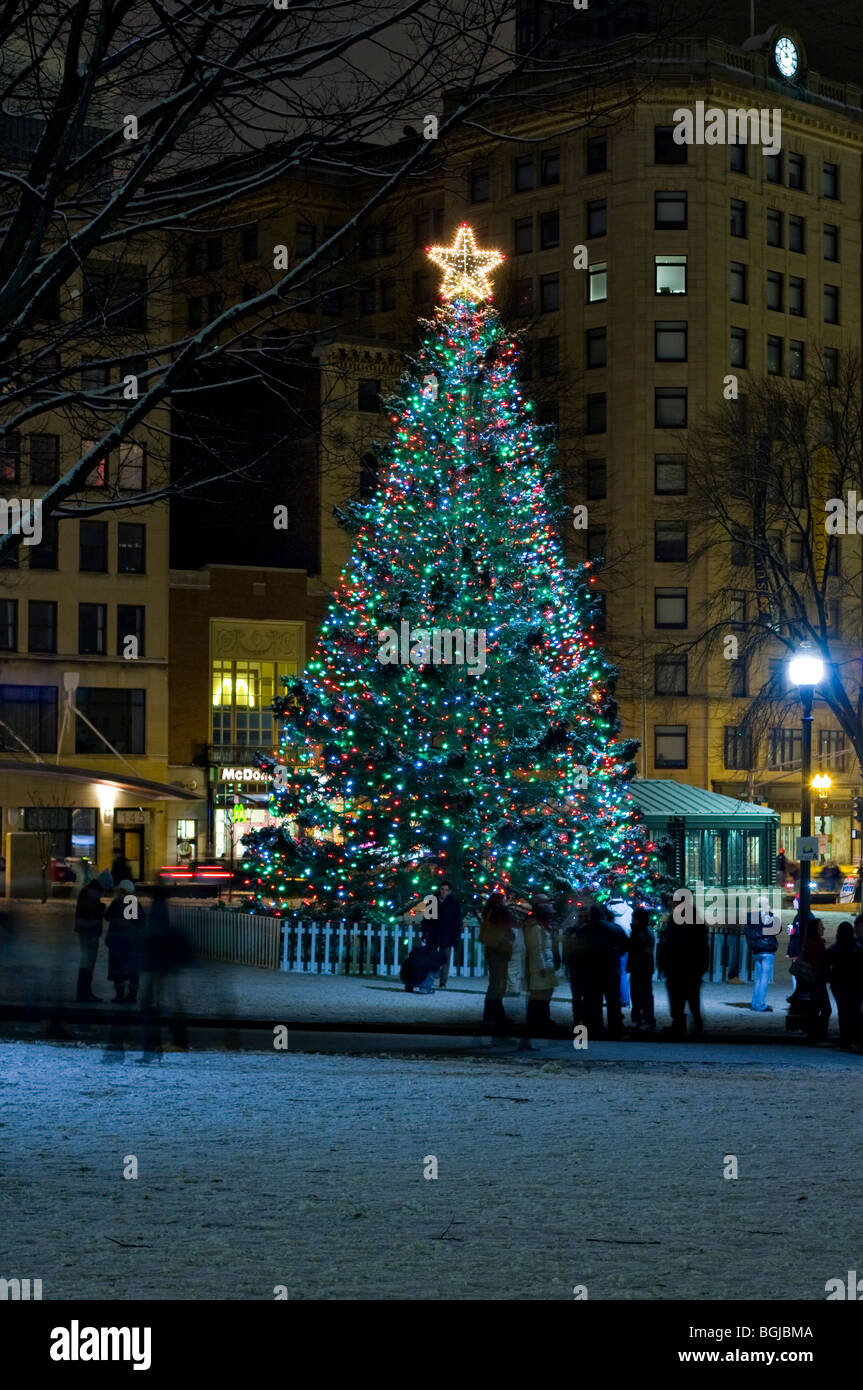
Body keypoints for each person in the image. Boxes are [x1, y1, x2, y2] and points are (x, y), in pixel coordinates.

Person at [570, 903, 628, 1040]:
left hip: (591, 971)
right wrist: (615, 956)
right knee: (613, 1001)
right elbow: (625, 945)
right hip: (611, 969)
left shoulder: (585, 929)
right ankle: (615, 1028)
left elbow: (578, 950)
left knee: (593, 1001)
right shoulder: (615, 928)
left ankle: (595, 1028)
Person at [657, 908, 709, 1039]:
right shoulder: (697, 928)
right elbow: (703, 949)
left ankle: (679, 1023)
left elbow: (666, 946)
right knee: (693, 999)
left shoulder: (674, 927)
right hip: (691, 968)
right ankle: (696, 1024)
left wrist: (664, 965)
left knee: (676, 999)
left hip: (676, 967)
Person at [521, 897, 567, 1041]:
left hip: (546, 965)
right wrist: (541, 966)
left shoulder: (545, 927)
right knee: (538, 996)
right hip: (541, 967)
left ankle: (542, 1019)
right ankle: (536, 1021)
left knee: (545, 993)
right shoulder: (536, 928)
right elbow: (536, 949)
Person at [479, 891, 518, 1035]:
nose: (506, 901)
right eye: (504, 899)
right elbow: (507, 929)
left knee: (497, 984)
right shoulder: (499, 913)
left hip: (493, 951)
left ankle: (496, 1016)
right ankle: (491, 1017)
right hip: (499, 951)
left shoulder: (489, 913)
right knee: (497, 985)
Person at [73, 869, 112, 1001]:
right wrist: (101, 910)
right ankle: (84, 993)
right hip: (89, 932)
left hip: (86, 931)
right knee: (88, 964)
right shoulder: (92, 893)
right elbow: (92, 915)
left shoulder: (89, 891)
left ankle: (84, 992)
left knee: (87, 963)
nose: (105, 893)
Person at [105, 880, 143, 1003]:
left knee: (118, 970)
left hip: (118, 942)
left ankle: (120, 994)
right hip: (131, 943)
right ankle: (132, 994)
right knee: (132, 970)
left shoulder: (117, 903)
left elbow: (108, 916)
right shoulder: (135, 904)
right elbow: (140, 923)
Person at [825, 921, 861, 1051]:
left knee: (843, 1012)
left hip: (839, 985)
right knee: (855, 1012)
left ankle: (845, 1040)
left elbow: (825, 966)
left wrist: (831, 979)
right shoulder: (856, 948)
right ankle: (855, 1039)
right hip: (855, 984)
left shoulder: (835, 948)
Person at [745, 903, 780, 1012]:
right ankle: (760, 1004)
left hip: (756, 951)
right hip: (767, 950)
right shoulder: (768, 917)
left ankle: (755, 1003)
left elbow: (748, 933)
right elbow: (778, 929)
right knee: (764, 979)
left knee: (759, 979)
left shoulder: (751, 918)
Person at [627, 906, 656, 1030]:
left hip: (640, 968)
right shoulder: (644, 933)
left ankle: (643, 1019)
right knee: (641, 995)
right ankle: (642, 1019)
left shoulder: (640, 934)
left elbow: (637, 952)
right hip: (642, 968)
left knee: (641, 995)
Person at [431, 880, 463, 988]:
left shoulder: (454, 904)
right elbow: (427, 918)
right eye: (442, 889)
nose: (444, 892)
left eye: (446, 890)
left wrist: (456, 936)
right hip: (434, 934)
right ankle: (429, 978)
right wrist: (426, 932)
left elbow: (457, 921)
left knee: (445, 959)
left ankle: (443, 982)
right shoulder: (433, 901)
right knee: (431, 957)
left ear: (450, 891)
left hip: (447, 935)